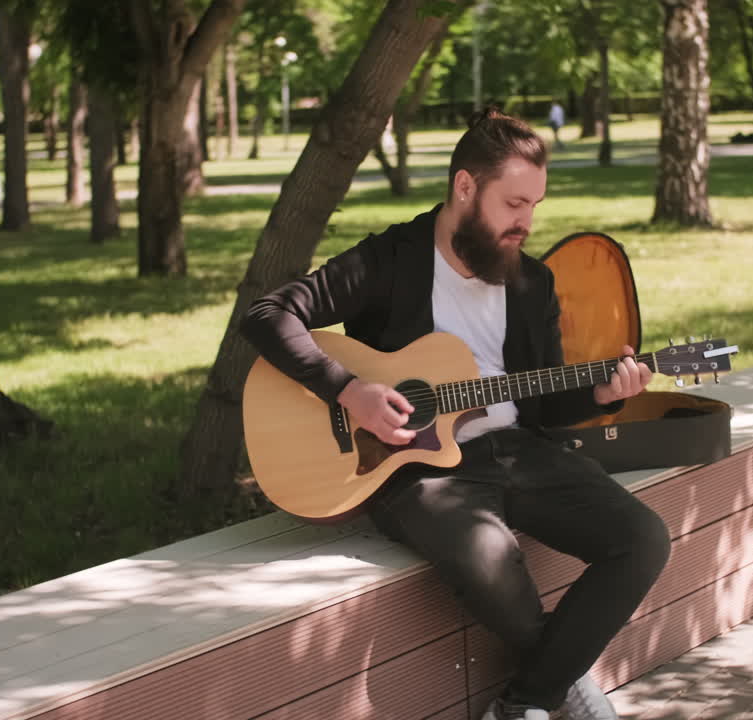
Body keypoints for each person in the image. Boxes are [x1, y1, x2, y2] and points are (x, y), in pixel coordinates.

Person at [243, 108, 670, 720]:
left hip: (519, 451)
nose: (526, 224)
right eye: (514, 204)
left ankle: (526, 699)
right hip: (412, 465)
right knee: (492, 564)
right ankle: (557, 688)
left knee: (644, 538)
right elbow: (268, 315)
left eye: (534, 206)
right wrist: (349, 390)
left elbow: (543, 405)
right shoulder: (392, 260)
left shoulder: (532, 284)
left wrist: (603, 395)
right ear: (465, 187)